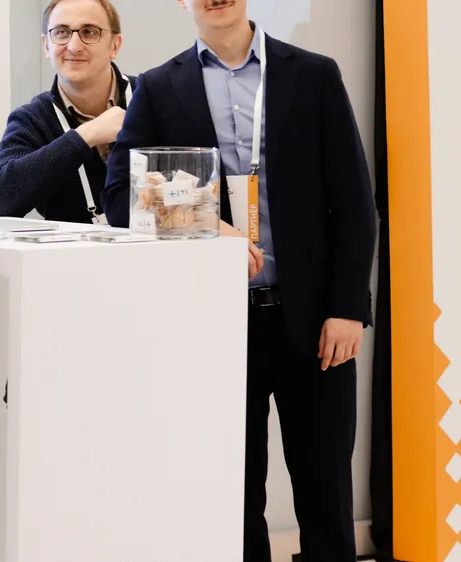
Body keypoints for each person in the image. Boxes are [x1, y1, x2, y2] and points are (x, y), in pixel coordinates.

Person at [102, 1, 376, 561]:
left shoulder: (313, 74)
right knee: (233, 499)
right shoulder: (157, 87)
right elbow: (119, 198)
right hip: (213, 327)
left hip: (315, 325)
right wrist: (205, 220)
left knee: (326, 494)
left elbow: (354, 201)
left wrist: (348, 308)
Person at [0, 0, 133, 225]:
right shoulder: (33, 118)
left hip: (164, 244)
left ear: (115, 45)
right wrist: (84, 136)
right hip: (74, 247)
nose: (74, 46)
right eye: (61, 32)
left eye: (89, 32)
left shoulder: (153, 99)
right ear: (46, 45)